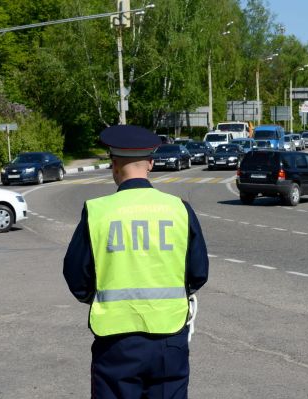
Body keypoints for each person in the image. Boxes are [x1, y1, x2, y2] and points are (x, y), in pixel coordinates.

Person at [63, 125, 209, 399]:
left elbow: (76, 276)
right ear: (151, 163)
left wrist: (98, 297)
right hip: (170, 336)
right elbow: (199, 274)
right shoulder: (179, 209)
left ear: (114, 164)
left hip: (116, 340)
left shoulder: (97, 211)